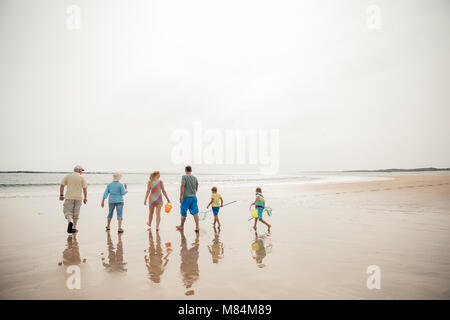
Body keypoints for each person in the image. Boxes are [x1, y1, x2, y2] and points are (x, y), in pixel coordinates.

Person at [59, 165, 88, 234]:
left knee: (67, 211)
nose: (82, 172)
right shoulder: (82, 178)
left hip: (69, 197)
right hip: (78, 198)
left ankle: (70, 222)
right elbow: (85, 189)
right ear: (79, 170)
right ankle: (74, 228)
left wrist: (61, 195)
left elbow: (62, 186)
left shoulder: (68, 176)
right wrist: (85, 198)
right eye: (81, 170)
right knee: (76, 213)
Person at [176, 166, 199, 232]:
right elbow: (196, 187)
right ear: (191, 170)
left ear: (185, 170)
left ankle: (181, 226)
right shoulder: (195, 178)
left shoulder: (184, 177)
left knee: (183, 212)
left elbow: (182, 186)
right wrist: (193, 193)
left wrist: (181, 196)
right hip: (194, 197)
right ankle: (197, 227)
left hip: (186, 197)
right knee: (195, 213)